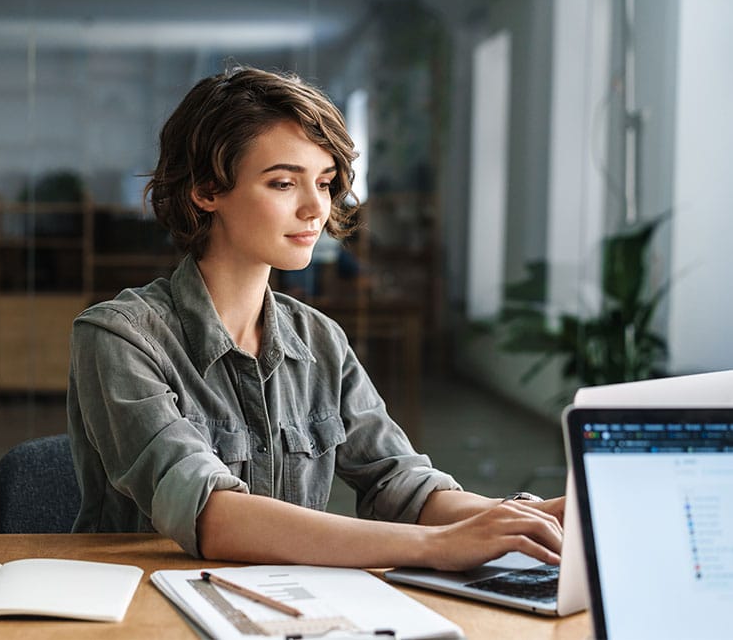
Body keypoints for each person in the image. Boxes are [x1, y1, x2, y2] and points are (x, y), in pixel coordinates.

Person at [67, 65, 564, 570]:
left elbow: (401, 485)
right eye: (284, 183)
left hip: (290, 608)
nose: (315, 209)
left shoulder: (320, 340)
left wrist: (533, 519)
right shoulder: (118, 337)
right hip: (145, 611)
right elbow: (212, 514)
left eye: (325, 183)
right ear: (206, 190)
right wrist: (438, 546)